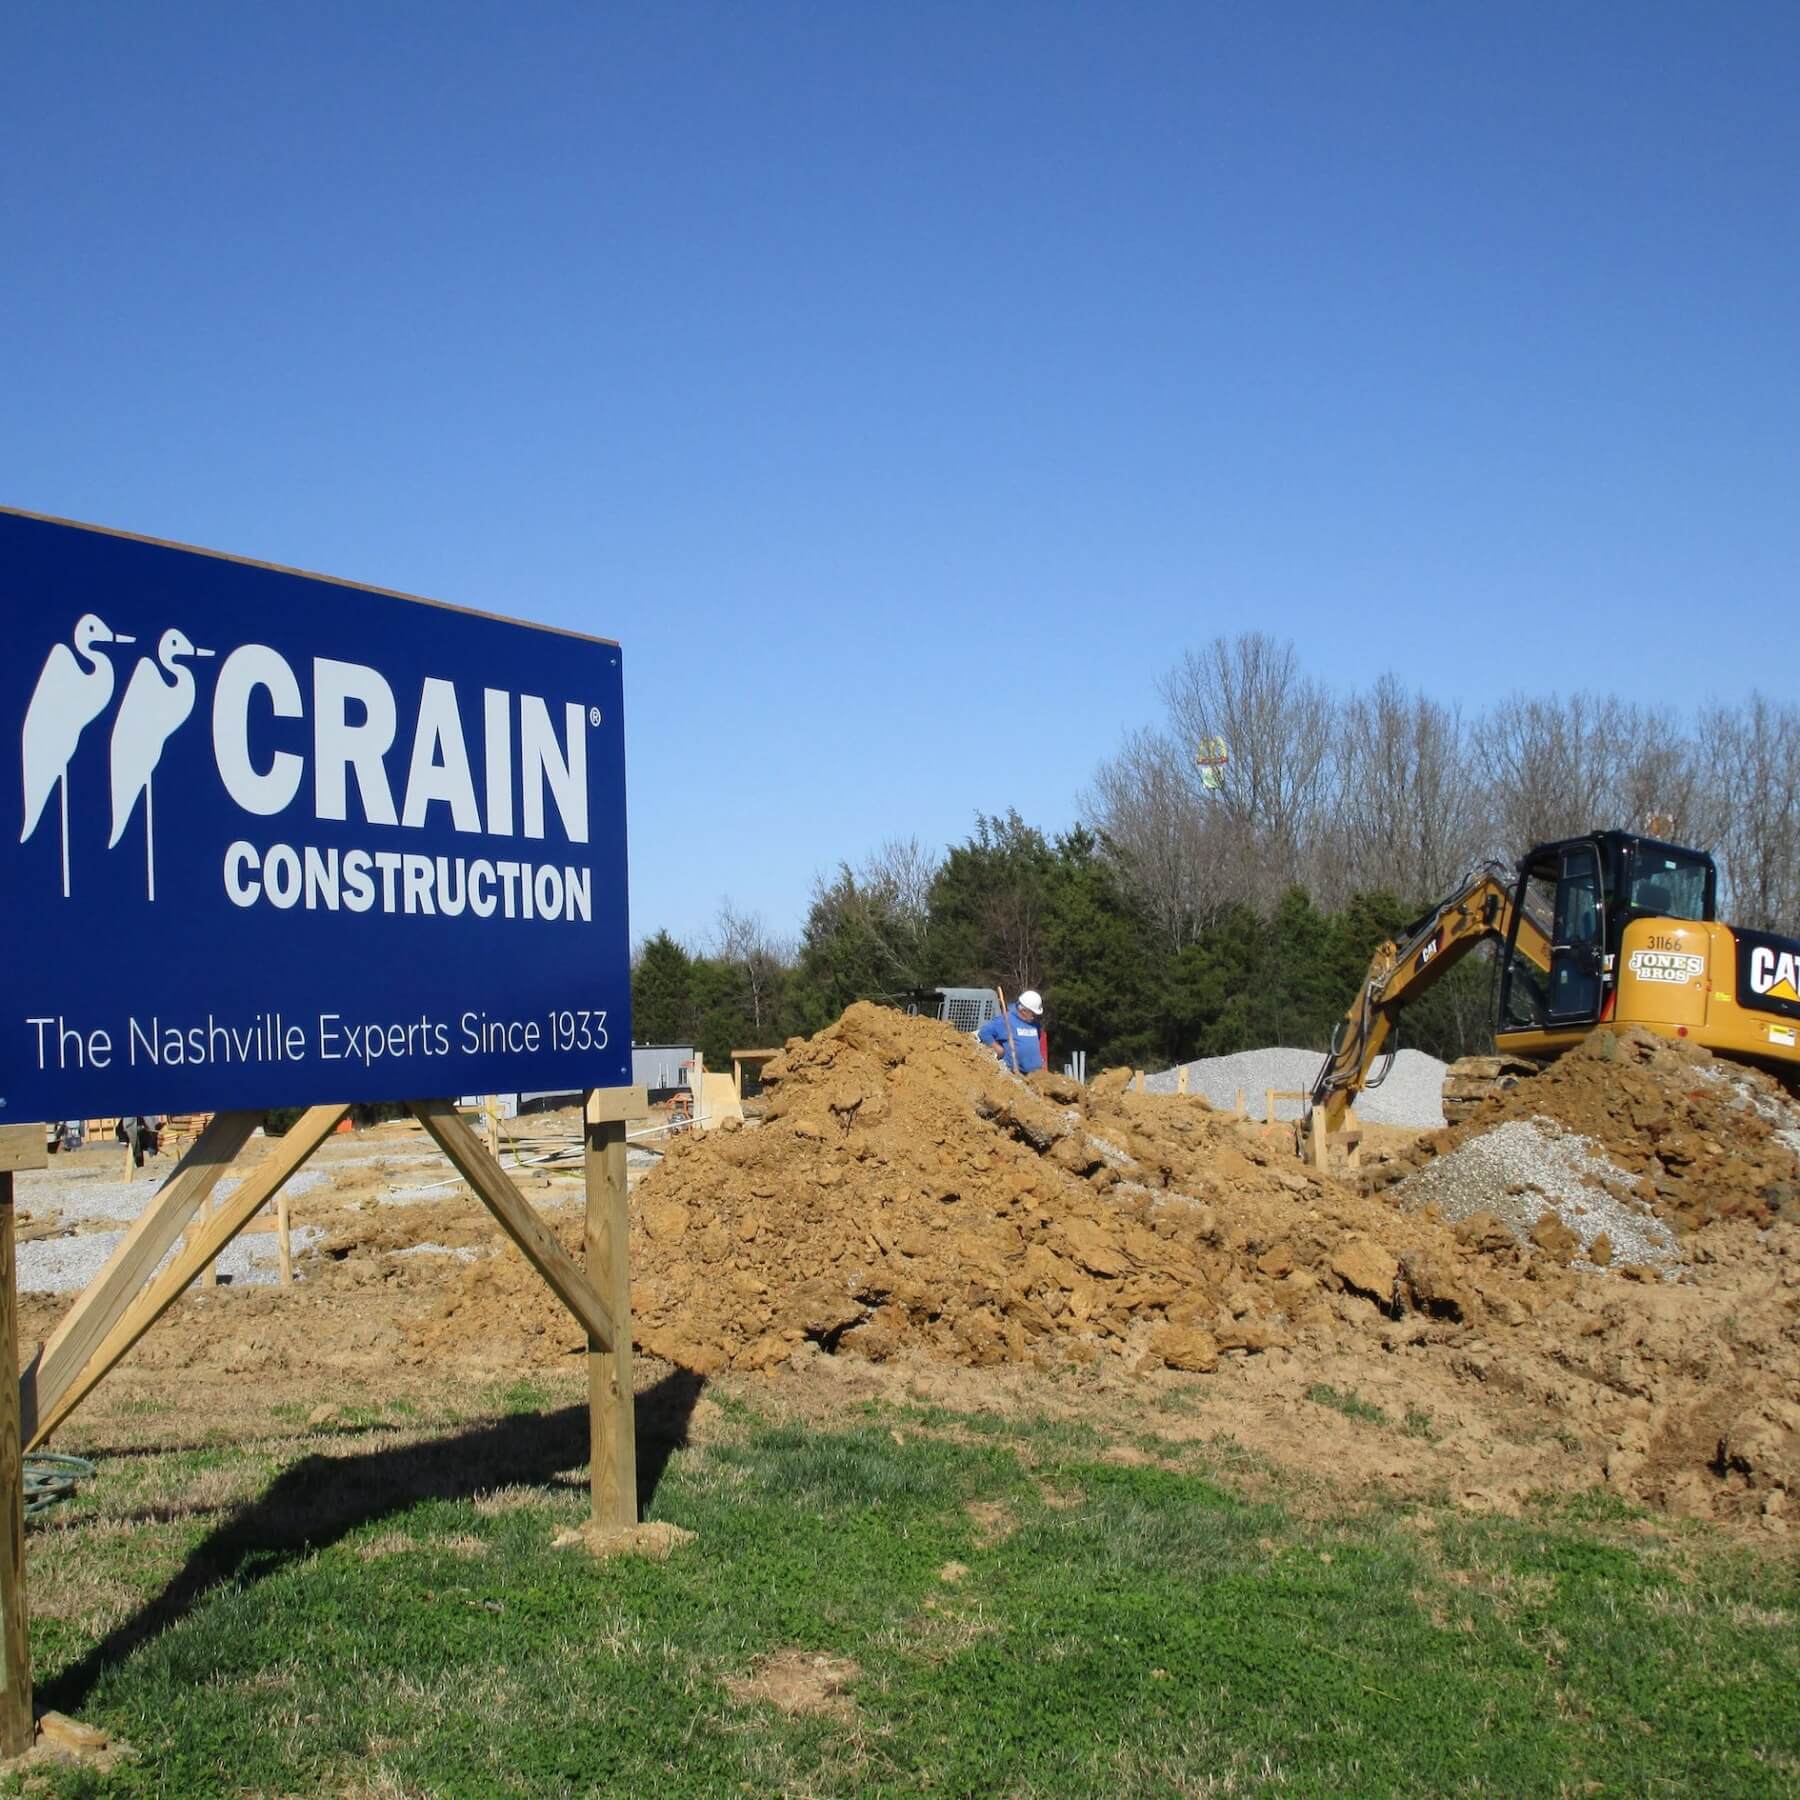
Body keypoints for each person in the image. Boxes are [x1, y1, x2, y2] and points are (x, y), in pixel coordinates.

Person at [978, 989, 1050, 1075]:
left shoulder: (1035, 1025)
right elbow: (984, 1032)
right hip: (1015, 1074)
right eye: (1033, 1014)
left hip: (1036, 1075)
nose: (1035, 1017)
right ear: (1023, 1010)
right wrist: (998, 1049)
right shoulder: (1005, 1020)